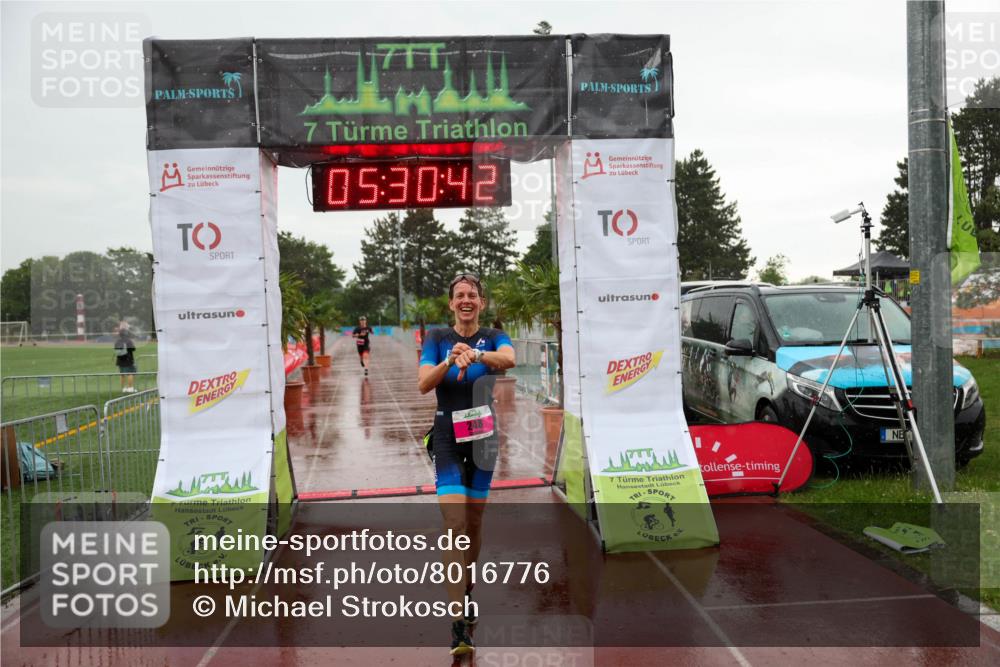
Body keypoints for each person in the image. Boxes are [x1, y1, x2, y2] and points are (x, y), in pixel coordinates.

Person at [417, 273, 515, 656]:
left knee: (474, 525)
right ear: (451, 303)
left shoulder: (493, 336)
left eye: (472, 294)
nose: (466, 300)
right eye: (459, 295)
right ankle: (458, 622)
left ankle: (467, 588)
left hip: (483, 441)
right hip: (446, 438)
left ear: (482, 302)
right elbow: (424, 383)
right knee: (455, 524)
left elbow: (508, 359)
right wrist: (449, 359)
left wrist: (476, 355)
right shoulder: (438, 338)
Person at [113, 328, 137, 393]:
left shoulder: (117, 341)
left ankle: (123, 388)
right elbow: (133, 349)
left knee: (122, 374)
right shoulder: (128, 341)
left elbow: (115, 349)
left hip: (120, 359)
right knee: (130, 373)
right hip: (128, 359)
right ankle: (130, 388)